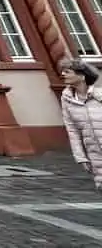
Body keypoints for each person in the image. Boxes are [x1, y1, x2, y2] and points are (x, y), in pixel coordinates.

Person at [60, 57, 102, 187]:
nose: (63, 74)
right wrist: (80, 157)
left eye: (67, 71)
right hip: (95, 154)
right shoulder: (67, 99)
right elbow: (72, 130)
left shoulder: (99, 96)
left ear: (82, 76)